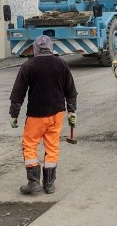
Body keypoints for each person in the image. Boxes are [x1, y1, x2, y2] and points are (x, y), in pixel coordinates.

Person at [9, 35, 77, 195]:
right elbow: (71, 91)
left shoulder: (28, 66)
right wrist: (71, 111)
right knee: (52, 146)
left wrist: (14, 114)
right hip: (56, 114)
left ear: (35, 49)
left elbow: (18, 93)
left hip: (36, 115)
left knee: (30, 145)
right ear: (51, 48)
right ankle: (49, 184)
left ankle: (33, 182)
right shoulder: (62, 64)